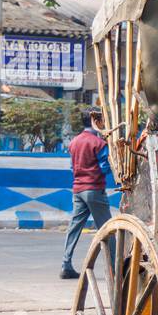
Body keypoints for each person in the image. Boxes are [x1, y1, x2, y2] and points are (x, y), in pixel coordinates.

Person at [60, 109, 114, 279]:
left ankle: (65, 263)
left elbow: (72, 167)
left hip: (78, 189)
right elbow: (105, 167)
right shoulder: (98, 143)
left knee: (74, 227)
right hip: (94, 189)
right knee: (108, 229)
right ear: (94, 121)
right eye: (101, 120)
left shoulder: (74, 142)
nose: (103, 123)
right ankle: (115, 267)